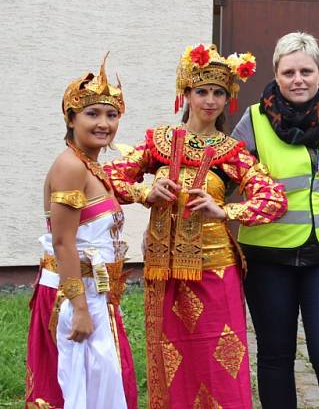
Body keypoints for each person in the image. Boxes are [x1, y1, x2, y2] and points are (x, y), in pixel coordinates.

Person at [105, 44, 287, 408]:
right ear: (185, 93)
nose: (210, 100)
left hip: (216, 272)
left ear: (227, 99)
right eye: (202, 91)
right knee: (170, 362)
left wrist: (227, 212)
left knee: (223, 365)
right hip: (165, 273)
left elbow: (274, 198)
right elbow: (108, 178)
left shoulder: (231, 152)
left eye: (218, 93)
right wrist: (146, 191)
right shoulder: (158, 142)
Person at [231, 32, 319, 409]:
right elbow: (223, 174)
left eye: (306, 70)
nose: (298, 79)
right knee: (274, 355)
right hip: (268, 255)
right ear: (276, 74)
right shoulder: (254, 119)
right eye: (289, 72)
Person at [26, 54, 138, 408]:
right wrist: (80, 309)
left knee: (103, 388)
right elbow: (62, 242)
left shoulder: (91, 165)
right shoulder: (70, 166)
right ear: (71, 118)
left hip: (95, 293)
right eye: (92, 114)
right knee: (76, 392)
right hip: (72, 295)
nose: (103, 123)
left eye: (111, 114)